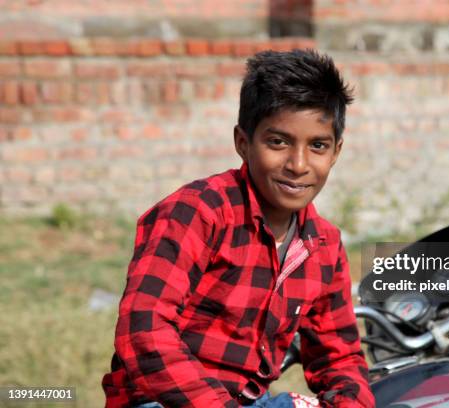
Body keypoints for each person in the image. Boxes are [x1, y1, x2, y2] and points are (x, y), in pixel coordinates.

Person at [101, 49, 375, 408]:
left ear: (336, 151)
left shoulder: (324, 245)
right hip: (162, 401)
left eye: (317, 146)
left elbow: (339, 358)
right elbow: (144, 330)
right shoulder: (197, 213)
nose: (297, 165)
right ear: (243, 143)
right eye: (277, 142)